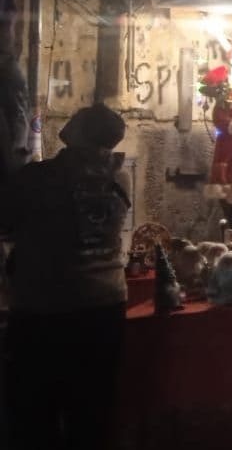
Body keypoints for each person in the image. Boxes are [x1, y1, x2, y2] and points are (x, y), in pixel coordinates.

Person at [1, 104, 130, 449]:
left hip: (48, 307)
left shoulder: (40, 178)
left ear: (80, 132)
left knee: (34, 414)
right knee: (92, 411)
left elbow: (6, 220)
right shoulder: (119, 175)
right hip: (106, 304)